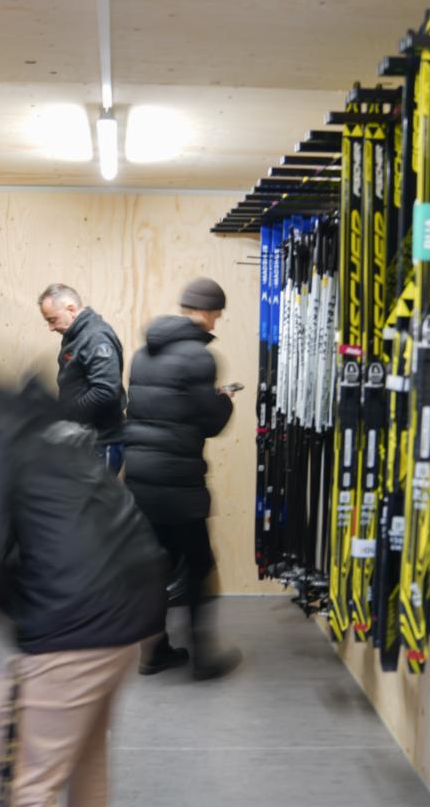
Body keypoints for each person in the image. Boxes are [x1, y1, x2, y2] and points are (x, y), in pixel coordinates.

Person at [0, 369, 167, 807]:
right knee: (85, 759)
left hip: (73, 621)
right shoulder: (33, 422)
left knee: (24, 786)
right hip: (134, 602)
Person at [123, 276, 242, 681]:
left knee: (154, 567)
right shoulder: (199, 358)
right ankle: (204, 660)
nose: (216, 322)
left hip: (140, 480)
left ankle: (153, 652)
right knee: (198, 566)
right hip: (178, 484)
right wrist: (224, 400)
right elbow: (209, 422)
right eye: (217, 315)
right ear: (206, 312)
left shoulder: (142, 354)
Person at [37, 283, 126, 472]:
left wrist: (70, 415)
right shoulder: (75, 335)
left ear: (71, 309)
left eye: (53, 320)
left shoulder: (96, 337)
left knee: (97, 493)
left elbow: (106, 391)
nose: (51, 327)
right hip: (84, 439)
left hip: (101, 441)